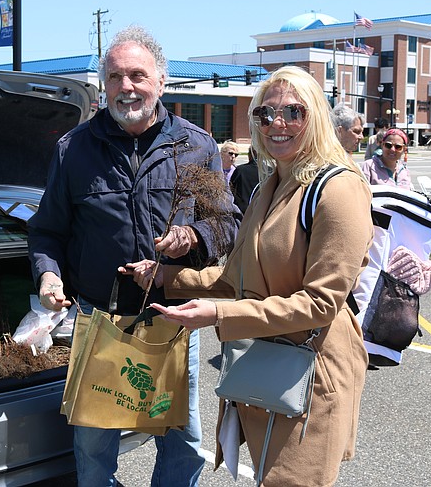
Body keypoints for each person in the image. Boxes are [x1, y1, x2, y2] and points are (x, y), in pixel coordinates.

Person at [129, 66, 373, 486]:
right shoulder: (268, 187)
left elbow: (321, 303)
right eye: (265, 114)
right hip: (267, 369)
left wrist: (221, 315)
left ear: (315, 116)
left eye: (293, 112)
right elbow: (236, 278)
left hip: (311, 376)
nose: (277, 124)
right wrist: (165, 277)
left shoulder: (338, 189)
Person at [27, 25, 240, 487]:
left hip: (174, 317)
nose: (127, 87)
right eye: (116, 77)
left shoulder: (195, 145)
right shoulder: (74, 149)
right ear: (104, 85)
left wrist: (192, 236)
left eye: (138, 75)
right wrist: (48, 276)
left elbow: (229, 224)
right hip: (99, 318)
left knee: (181, 438)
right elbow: (46, 231)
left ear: (161, 82)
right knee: (92, 439)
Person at [229, 146, 260, 215]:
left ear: (250, 155)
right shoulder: (269, 172)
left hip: (241, 212)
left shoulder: (240, 170)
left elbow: (230, 189)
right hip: (261, 212)